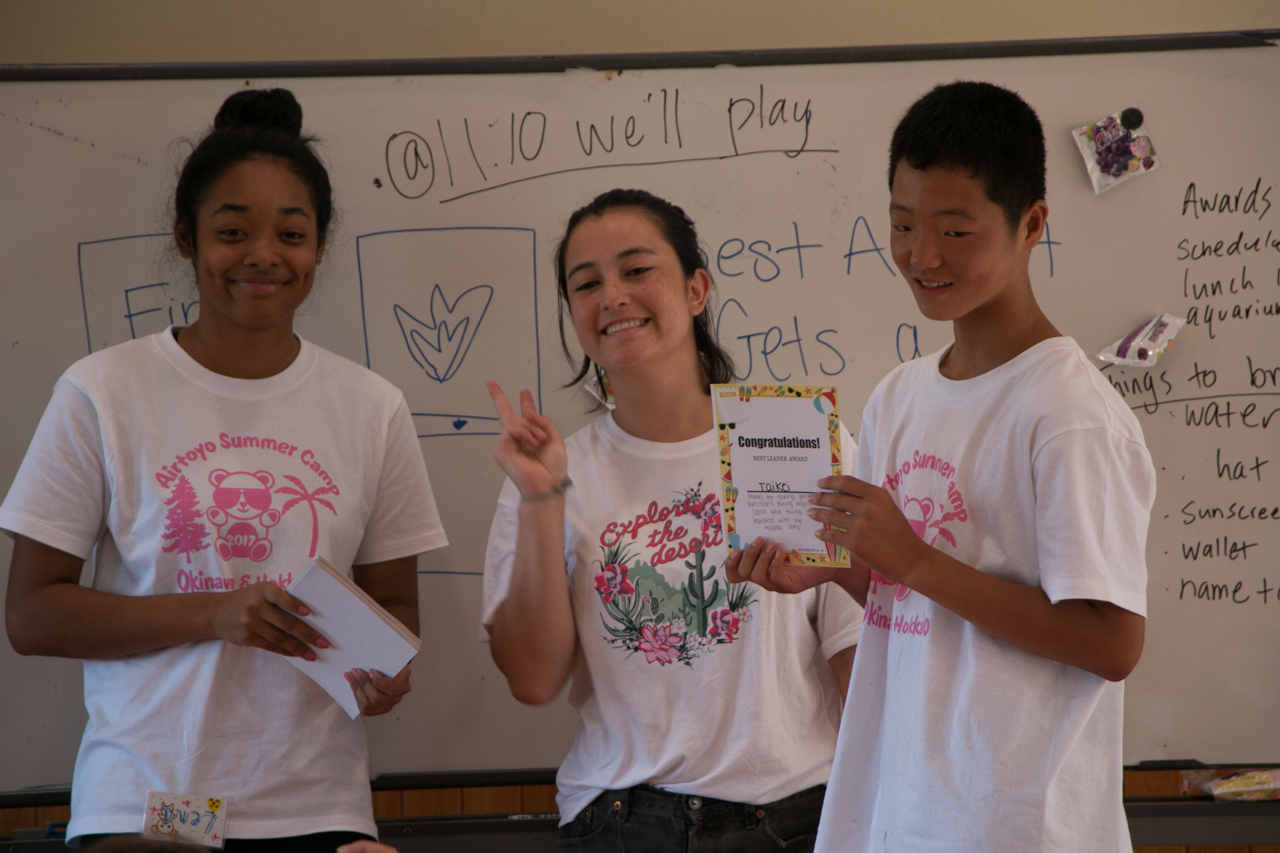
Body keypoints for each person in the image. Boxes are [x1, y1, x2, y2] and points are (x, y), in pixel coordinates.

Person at [1, 89, 448, 851]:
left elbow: (395, 604)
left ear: (319, 247)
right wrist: (211, 613)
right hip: (149, 801)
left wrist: (385, 673)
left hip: (319, 806)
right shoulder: (102, 391)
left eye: (292, 234)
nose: (264, 256)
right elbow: (32, 615)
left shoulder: (373, 406)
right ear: (187, 238)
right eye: (233, 231)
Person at [728, 81, 1154, 852]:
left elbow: (1111, 642)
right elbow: (915, 602)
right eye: (902, 224)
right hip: (900, 807)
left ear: (1032, 224)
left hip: (1012, 825)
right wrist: (840, 571)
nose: (921, 255)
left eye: (954, 230)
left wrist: (912, 559)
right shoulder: (899, 396)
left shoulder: (1069, 414)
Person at [482, 188, 862, 852]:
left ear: (695, 290)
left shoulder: (795, 438)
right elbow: (533, 680)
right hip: (622, 820)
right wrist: (543, 499)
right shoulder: (548, 470)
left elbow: (857, 656)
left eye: (636, 270)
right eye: (586, 283)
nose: (612, 296)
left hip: (797, 815)